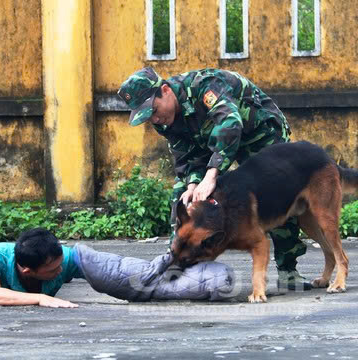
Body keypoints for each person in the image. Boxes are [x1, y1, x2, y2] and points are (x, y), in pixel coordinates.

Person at [117, 67, 311, 290]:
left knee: (276, 194)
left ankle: (288, 271)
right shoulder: (163, 120)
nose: (155, 118)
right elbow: (187, 154)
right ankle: (181, 262)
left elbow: (230, 123)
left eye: (154, 109)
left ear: (165, 90)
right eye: (148, 116)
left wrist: (211, 175)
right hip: (213, 143)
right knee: (181, 196)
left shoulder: (205, 86)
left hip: (259, 133)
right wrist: (192, 185)